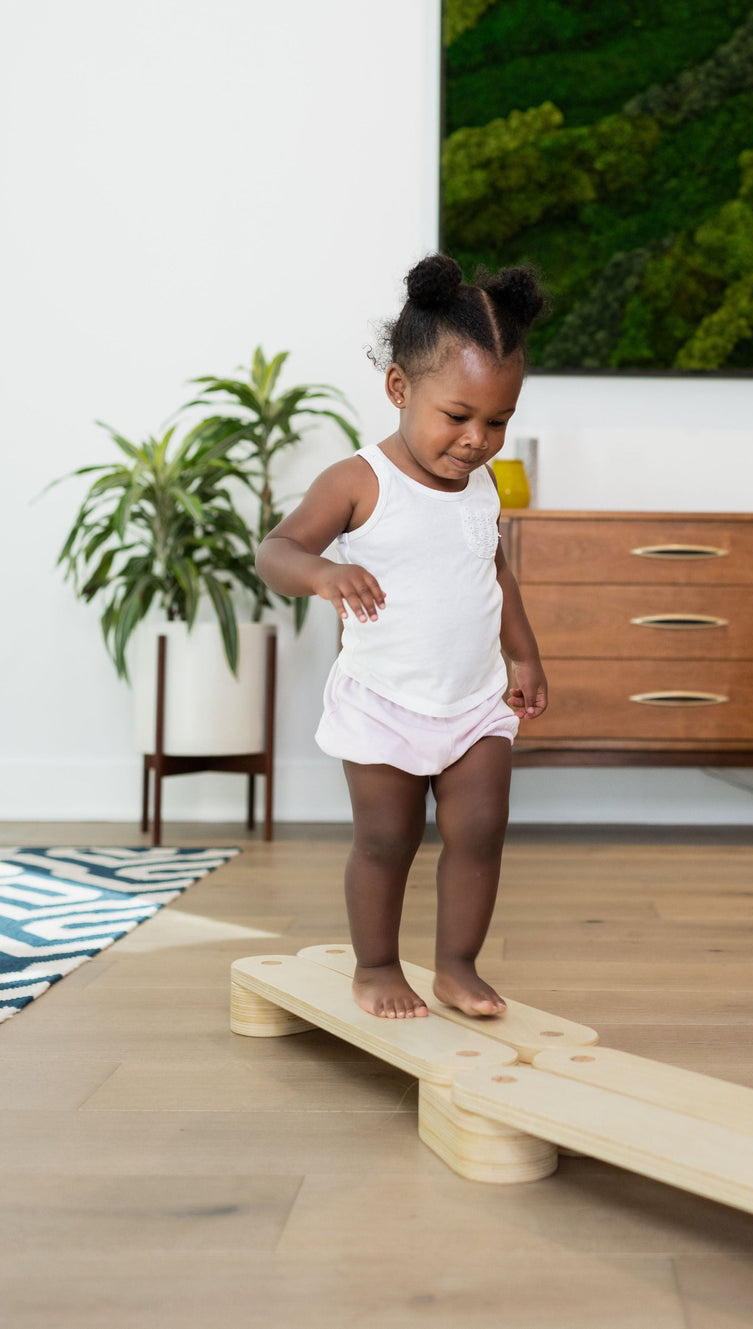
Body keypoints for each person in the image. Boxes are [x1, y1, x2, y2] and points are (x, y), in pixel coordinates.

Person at [256, 253, 548, 1021]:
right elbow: (274, 552)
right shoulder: (359, 481)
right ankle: (378, 965)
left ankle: (456, 965)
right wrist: (322, 575)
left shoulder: (480, 486)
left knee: (480, 831)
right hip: (386, 700)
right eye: (458, 416)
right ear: (399, 388)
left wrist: (522, 652)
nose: (478, 439)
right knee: (388, 839)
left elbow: (493, 571)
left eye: (498, 421)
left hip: (473, 697)